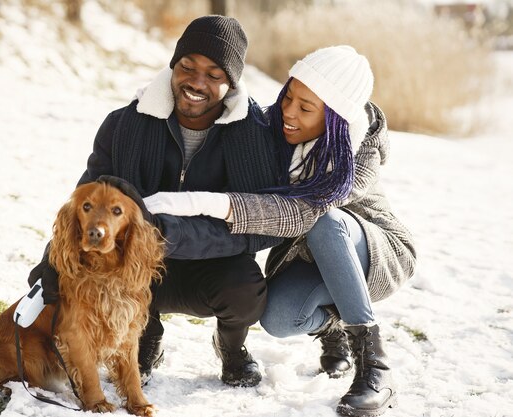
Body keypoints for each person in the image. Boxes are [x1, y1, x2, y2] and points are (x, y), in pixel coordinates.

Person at [144, 45, 417, 416]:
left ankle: (376, 368)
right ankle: (332, 327)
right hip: (309, 258)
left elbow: (303, 214)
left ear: (338, 117)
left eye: (306, 108)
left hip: (375, 252)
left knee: (325, 220)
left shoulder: (358, 154)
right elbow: (235, 112)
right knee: (277, 317)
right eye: (289, 96)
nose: (289, 112)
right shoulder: (275, 129)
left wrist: (203, 203)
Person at [28, 15, 282, 388]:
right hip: (134, 264)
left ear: (231, 83)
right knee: (98, 273)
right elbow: (88, 200)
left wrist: (171, 233)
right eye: (187, 67)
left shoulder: (253, 138)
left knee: (245, 293)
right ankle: (144, 337)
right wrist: (52, 260)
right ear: (173, 66)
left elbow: (258, 230)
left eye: (214, 74)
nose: (196, 82)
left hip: (211, 266)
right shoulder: (124, 124)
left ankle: (232, 349)